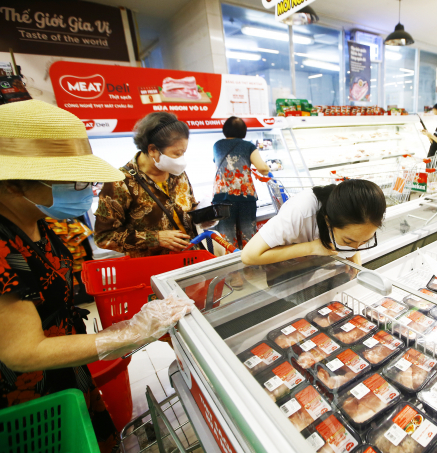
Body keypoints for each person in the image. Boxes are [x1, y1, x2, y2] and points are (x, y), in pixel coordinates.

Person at [0, 100, 191, 452]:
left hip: (68, 370)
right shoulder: (3, 243)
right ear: (14, 186)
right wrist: (129, 332)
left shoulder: (37, 223)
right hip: (32, 399)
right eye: (72, 180)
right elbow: (22, 352)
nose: (84, 189)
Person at [95, 112, 200, 258]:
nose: (181, 160)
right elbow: (104, 238)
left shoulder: (177, 173)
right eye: (176, 154)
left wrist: (202, 215)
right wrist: (155, 238)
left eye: (183, 153)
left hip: (190, 258)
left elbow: (188, 206)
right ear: (152, 150)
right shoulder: (120, 182)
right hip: (153, 267)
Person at [241, 179, 386, 266]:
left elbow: (355, 240)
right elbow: (249, 255)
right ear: (328, 221)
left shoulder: (355, 209)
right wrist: (312, 247)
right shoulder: (300, 211)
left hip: (315, 266)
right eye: (348, 241)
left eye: (364, 241)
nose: (355, 248)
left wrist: (355, 263)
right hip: (282, 268)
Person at [213, 116, 270, 249]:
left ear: (225, 130)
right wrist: (267, 169)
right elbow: (263, 168)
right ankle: (251, 265)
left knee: (225, 237)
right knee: (247, 235)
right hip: (245, 196)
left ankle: (229, 266)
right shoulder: (248, 145)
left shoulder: (217, 145)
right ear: (243, 131)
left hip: (222, 198)